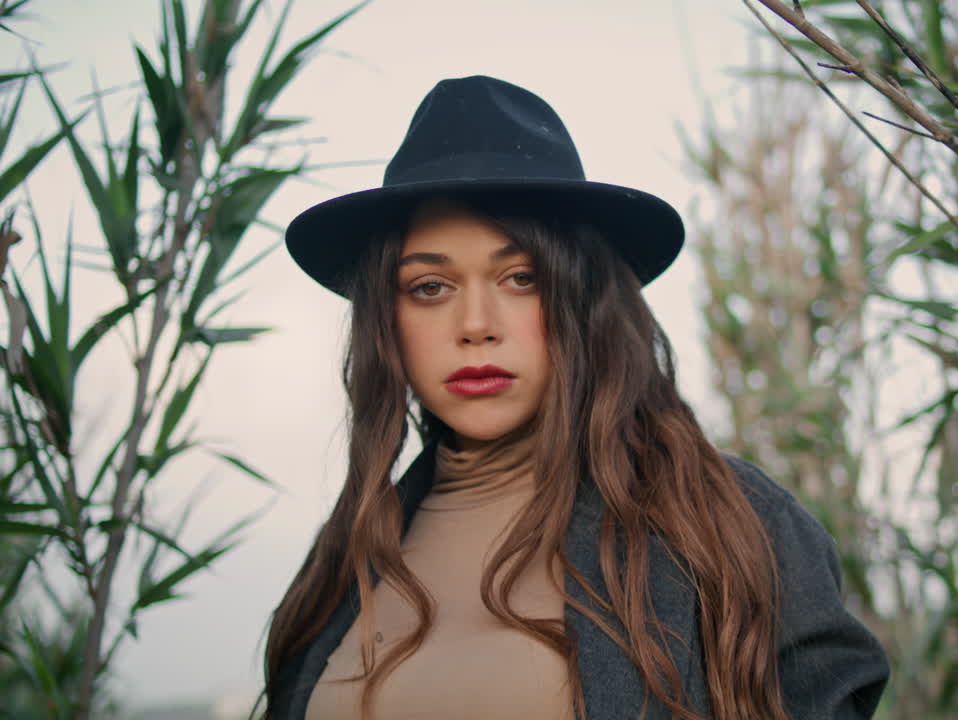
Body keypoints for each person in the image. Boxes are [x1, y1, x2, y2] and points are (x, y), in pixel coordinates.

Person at [262, 75, 888, 720]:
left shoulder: (730, 526)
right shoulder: (344, 559)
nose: (475, 325)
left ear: (584, 299)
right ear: (384, 322)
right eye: (429, 287)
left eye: (521, 277)